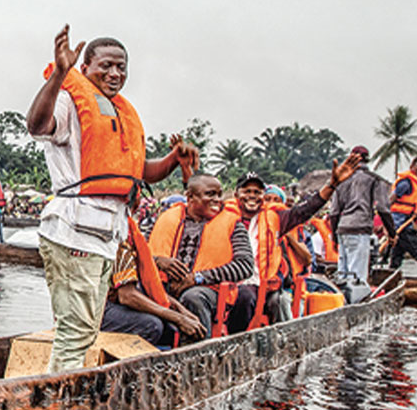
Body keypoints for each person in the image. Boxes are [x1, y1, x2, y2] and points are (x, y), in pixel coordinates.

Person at [25, 26, 195, 371]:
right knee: (76, 331)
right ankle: (61, 399)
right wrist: (60, 73)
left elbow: (139, 171)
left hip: (104, 237)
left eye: (122, 67)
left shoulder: (119, 112)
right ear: (85, 68)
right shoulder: (70, 101)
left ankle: (63, 390)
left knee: (84, 331)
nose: (115, 74)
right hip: (75, 232)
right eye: (106, 66)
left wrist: (173, 160)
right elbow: (36, 125)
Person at [227, 160, 359, 331]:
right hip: (227, 281)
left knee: (261, 298)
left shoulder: (276, 218)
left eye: (257, 192)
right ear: (237, 195)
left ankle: (248, 338)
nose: (252, 195)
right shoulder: (223, 215)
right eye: (247, 191)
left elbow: (304, 210)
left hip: (261, 285)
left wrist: (332, 185)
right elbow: (196, 201)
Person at [147, 174, 253, 341]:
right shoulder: (164, 218)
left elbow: (244, 266)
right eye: (210, 194)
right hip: (162, 287)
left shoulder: (234, 225)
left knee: (193, 297)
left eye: (219, 194)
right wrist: (158, 261)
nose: (217, 200)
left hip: (209, 291)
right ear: (190, 197)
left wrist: (197, 278)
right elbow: (137, 252)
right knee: (136, 295)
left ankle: (198, 358)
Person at [327, 146, 395, 301]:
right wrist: (392, 233)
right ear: (367, 159)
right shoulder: (374, 179)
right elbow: (383, 208)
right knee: (356, 276)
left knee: (343, 274)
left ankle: (340, 302)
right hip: (359, 229)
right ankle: (354, 305)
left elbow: (334, 212)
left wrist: (335, 237)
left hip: (342, 228)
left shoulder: (341, 179)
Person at [387, 157, 417, 278]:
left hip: (405, 223)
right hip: (401, 226)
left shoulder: (415, 184)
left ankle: (390, 279)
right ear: (412, 166)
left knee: (397, 256)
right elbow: (391, 200)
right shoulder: (406, 183)